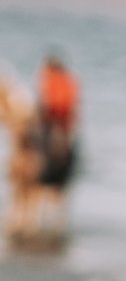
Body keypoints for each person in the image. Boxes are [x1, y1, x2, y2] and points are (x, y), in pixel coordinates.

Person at [36, 53, 79, 189]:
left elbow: (53, 105)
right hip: (64, 124)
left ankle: (43, 175)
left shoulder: (55, 80)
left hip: (57, 122)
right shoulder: (69, 80)